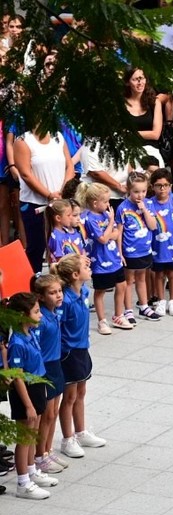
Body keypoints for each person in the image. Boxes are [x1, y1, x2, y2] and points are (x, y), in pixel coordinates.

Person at [4, 292, 57, 499]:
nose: (40, 315)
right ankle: (22, 483)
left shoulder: (30, 333)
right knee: (24, 437)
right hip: (24, 391)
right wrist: (28, 405)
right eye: (36, 312)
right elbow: (17, 376)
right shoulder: (17, 342)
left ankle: (32, 470)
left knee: (33, 432)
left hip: (36, 386)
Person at [56, 253, 105, 459]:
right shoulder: (65, 300)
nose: (89, 267)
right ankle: (68, 439)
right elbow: (58, 328)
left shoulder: (83, 291)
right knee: (69, 396)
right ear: (75, 275)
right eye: (85, 267)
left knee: (81, 391)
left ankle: (81, 431)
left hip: (83, 348)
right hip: (69, 353)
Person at [13, 128, 74, 272]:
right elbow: (25, 173)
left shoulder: (58, 136)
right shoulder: (23, 140)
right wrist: (48, 194)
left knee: (64, 245)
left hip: (60, 203)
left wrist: (63, 190)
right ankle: (35, 287)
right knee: (36, 248)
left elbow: (69, 165)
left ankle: (63, 287)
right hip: (35, 203)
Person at [77, 182, 129, 334]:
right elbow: (104, 239)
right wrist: (112, 223)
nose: (108, 205)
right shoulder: (90, 219)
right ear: (95, 203)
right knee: (100, 291)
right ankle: (102, 321)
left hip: (114, 258)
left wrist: (109, 233)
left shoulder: (105, 214)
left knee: (122, 285)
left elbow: (115, 234)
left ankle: (118, 315)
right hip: (100, 261)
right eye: (105, 202)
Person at [31, 274, 69, 476]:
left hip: (56, 365)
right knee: (46, 415)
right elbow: (35, 347)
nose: (58, 295)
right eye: (52, 293)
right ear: (41, 297)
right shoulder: (41, 318)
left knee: (53, 413)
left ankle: (48, 449)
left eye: (59, 291)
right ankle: (39, 456)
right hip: (45, 368)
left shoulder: (55, 312)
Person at [117, 172, 160, 322]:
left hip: (145, 249)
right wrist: (120, 253)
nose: (140, 195)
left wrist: (145, 211)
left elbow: (153, 226)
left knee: (142, 278)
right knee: (129, 280)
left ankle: (144, 306)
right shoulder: (123, 208)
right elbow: (120, 233)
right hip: (129, 251)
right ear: (129, 189)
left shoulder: (148, 204)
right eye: (136, 192)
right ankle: (128, 310)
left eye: (143, 191)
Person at [148, 169, 173, 316]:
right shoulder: (149, 204)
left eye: (165, 185)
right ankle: (161, 300)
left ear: (170, 186)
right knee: (158, 274)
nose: (162, 188)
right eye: (158, 185)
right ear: (153, 186)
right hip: (156, 247)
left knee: (172, 273)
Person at [123, 68, 164, 165]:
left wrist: (130, 134)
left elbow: (155, 134)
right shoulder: (121, 103)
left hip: (151, 151)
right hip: (128, 151)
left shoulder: (154, 102)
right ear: (128, 83)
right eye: (135, 79)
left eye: (141, 78)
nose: (139, 82)